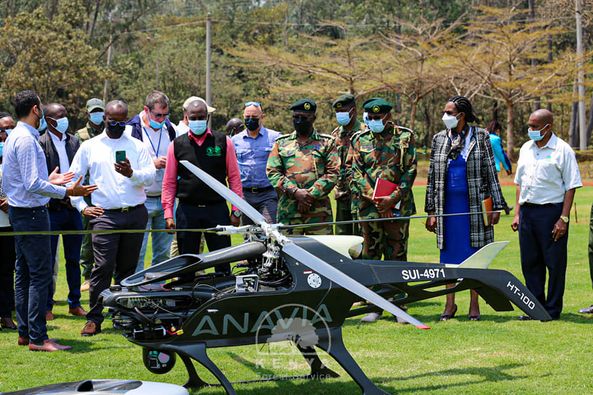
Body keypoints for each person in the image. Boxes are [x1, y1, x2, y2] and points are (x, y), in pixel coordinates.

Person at [3, 90, 95, 351]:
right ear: (35, 109)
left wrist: (51, 180)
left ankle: (25, 332)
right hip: (32, 214)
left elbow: (22, 179)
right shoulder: (27, 140)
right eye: (40, 106)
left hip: (21, 213)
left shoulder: (15, 136)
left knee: (23, 274)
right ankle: (38, 338)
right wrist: (67, 191)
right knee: (39, 275)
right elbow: (32, 184)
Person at [69, 99, 154, 336]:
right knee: (103, 267)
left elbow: (149, 176)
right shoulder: (90, 146)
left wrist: (131, 173)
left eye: (121, 121)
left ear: (127, 119)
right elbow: (73, 179)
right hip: (104, 216)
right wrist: (80, 206)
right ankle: (94, 318)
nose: (116, 124)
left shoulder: (137, 145)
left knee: (128, 269)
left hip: (135, 213)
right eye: (111, 120)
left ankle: (124, 316)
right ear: (104, 118)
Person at [425, 96, 506, 322]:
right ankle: (450, 304)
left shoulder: (480, 136)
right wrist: (431, 211)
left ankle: (474, 304)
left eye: (450, 113)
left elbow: (491, 171)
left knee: (475, 255)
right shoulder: (439, 139)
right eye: (445, 112)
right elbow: (432, 177)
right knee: (449, 256)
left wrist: (497, 206)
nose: (446, 117)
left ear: (462, 115)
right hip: (447, 208)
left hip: (474, 207)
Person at [349, 98, 417, 323]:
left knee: (397, 255)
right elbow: (355, 173)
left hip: (397, 206)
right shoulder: (360, 139)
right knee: (370, 254)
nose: (374, 121)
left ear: (388, 116)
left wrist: (393, 198)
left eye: (378, 118)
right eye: (370, 118)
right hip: (370, 207)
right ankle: (374, 305)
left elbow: (410, 170)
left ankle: (399, 305)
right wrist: (376, 197)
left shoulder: (404, 137)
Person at [511, 109, 582, 320]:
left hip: (551, 212)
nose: (530, 130)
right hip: (528, 212)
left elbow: (571, 186)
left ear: (547, 127)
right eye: (529, 126)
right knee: (530, 262)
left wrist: (564, 218)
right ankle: (535, 307)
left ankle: (552, 310)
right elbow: (519, 183)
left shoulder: (563, 150)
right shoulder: (526, 148)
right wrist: (517, 213)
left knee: (555, 263)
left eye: (534, 126)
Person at [162, 99, 242, 274]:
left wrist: (236, 210)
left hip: (217, 210)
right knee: (186, 263)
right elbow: (169, 182)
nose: (197, 120)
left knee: (222, 260)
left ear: (207, 117)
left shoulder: (223, 141)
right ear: (186, 117)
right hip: (187, 211)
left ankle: (222, 294)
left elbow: (234, 177)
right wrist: (168, 213)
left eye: (201, 117)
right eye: (193, 117)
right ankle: (186, 298)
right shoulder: (176, 144)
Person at [39, 103, 86, 319]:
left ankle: (74, 302)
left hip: (73, 208)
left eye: (65, 115)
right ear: (49, 120)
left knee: (73, 259)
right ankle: (47, 305)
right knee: (48, 260)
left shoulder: (75, 141)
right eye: (60, 116)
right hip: (51, 208)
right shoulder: (41, 143)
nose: (64, 119)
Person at [267, 98, 339, 234]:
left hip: (319, 213)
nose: (299, 121)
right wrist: (295, 192)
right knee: (289, 253)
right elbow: (273, 172)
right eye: (296, 117)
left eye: (304, 117)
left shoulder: (327, 143)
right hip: (289, 212)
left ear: (313, 118)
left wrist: (310, 196)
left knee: (321, 253)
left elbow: (333, 172)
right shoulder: (281, 143)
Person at [128, 91, 176, 273]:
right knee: (137, 252)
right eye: (158, 115)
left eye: (166, 115)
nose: (162, 119)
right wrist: (151, 164)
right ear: (146, 110)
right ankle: (136, 292)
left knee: (163, 253)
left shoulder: (170, 130)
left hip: (165, 200)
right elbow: (123, 167)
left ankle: (159, 292)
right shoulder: (131, 130)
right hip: (141, 199)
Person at [231, 102, 280, 224]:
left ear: (262, 117)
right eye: (247, 117)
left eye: (254, 117)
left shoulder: (275, 138)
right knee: (249, 234)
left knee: (269, 232)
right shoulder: (235, 141)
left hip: (268, 194)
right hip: (245, 196)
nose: (250, 120)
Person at [75, 98, 105, 291]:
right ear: (87, 113)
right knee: (87, 235)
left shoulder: (109, 131)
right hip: (87, 191)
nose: (97, 115)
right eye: (94, 111)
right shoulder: (80, 135)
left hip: (104, 188)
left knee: (105, 234)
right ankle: (87, 274)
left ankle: (104, 272)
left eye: (100, 111)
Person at [331, 94, 363, 235]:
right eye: (338, 112)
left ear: (354, 111)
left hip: (362, 196)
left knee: (362, 238)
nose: (340, 115)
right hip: (342, 195)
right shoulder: (336, 135)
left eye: (343, 111)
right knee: (342, 239)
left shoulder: (365, 132)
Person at [0, 154, 16, 330]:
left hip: (7, 225)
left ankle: (5, 315)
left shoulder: (10, 167)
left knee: (6, 272)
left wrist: (11, 202)